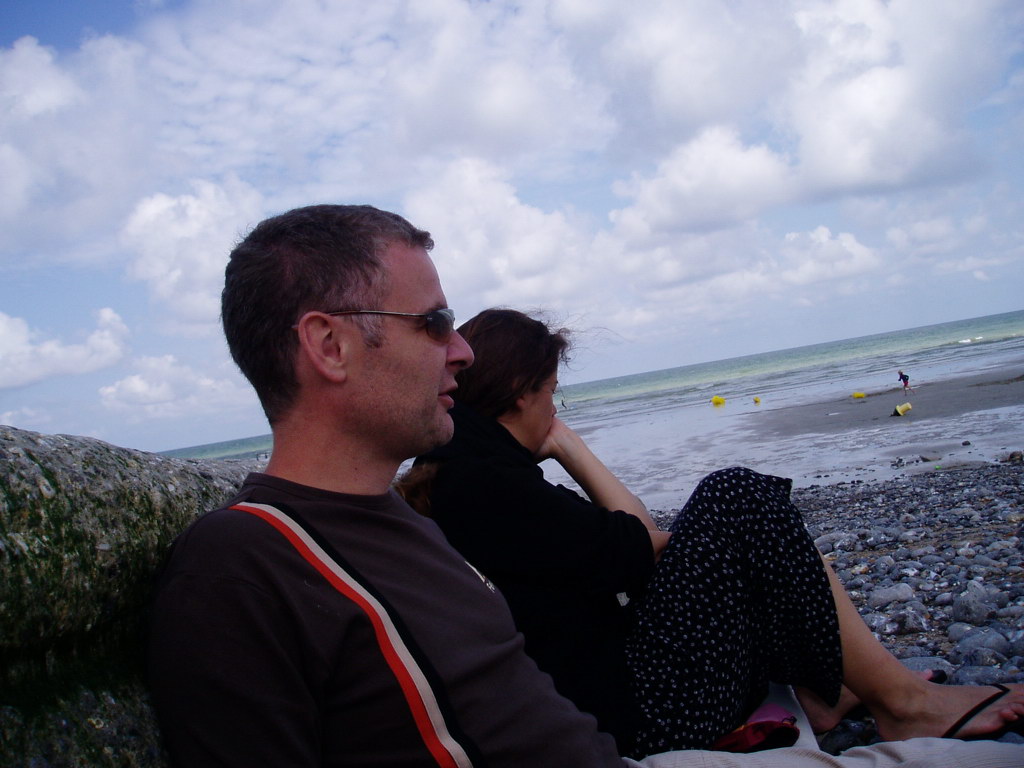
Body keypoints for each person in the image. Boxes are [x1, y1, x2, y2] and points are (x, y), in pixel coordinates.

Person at [147, 205, 1022, 768]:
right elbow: (633, 553)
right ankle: (898, 703)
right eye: (435, 322)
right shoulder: (243, 563)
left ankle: (886, 701)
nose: (460, 350)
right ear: (330, 346)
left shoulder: (403, 524)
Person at [399, 308, 1024, 757]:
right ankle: (904, 707)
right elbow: (641, 543)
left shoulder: (476, 476)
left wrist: (565, 447)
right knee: (737, 496)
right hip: (640, 719)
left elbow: (632, 544)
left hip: (621, 691)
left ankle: (828, 693)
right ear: (519, 393)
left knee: (756, 537)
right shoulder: (485, 487)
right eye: (552, 394)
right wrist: (575, 450)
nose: (556, 410)